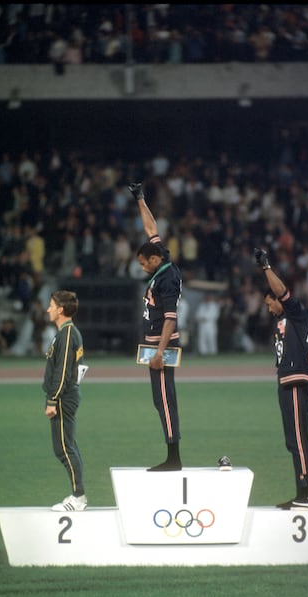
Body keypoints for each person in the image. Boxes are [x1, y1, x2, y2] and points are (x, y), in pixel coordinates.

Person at [254, 248, 308, 510]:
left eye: (270, 302)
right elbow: (304, 346)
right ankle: (301, 494)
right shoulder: (289, 321)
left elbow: (282, 291)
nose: (270, 308)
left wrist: (265, 267)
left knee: (298, 437)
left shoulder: (295, 312)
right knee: (292, 439)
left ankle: (305, 495)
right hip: (289, 380)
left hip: (295, 382)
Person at [128, 182, 183, 471]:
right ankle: (172, 454)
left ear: (153, 259)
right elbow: (151, 228)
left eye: (142, 263)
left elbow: (171, 318)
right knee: (159, 399)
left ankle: (173, 458)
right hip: (155, 343)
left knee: (164, 398)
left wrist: (159, 352)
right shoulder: (161, 259)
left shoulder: (166, 279)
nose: (141, 267)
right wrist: (140, 198)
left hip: (162, 344)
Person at [43, 290, 87, 511]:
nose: (48, 309)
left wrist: (52, 399)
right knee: (67, 446)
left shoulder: (67, 333)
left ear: (61, 309)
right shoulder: (66, 332)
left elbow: (61, 372)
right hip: (65, 396)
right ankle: (78, 495)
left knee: (64, 448)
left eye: (51, 305)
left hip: (62, 397)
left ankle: (78, 497)